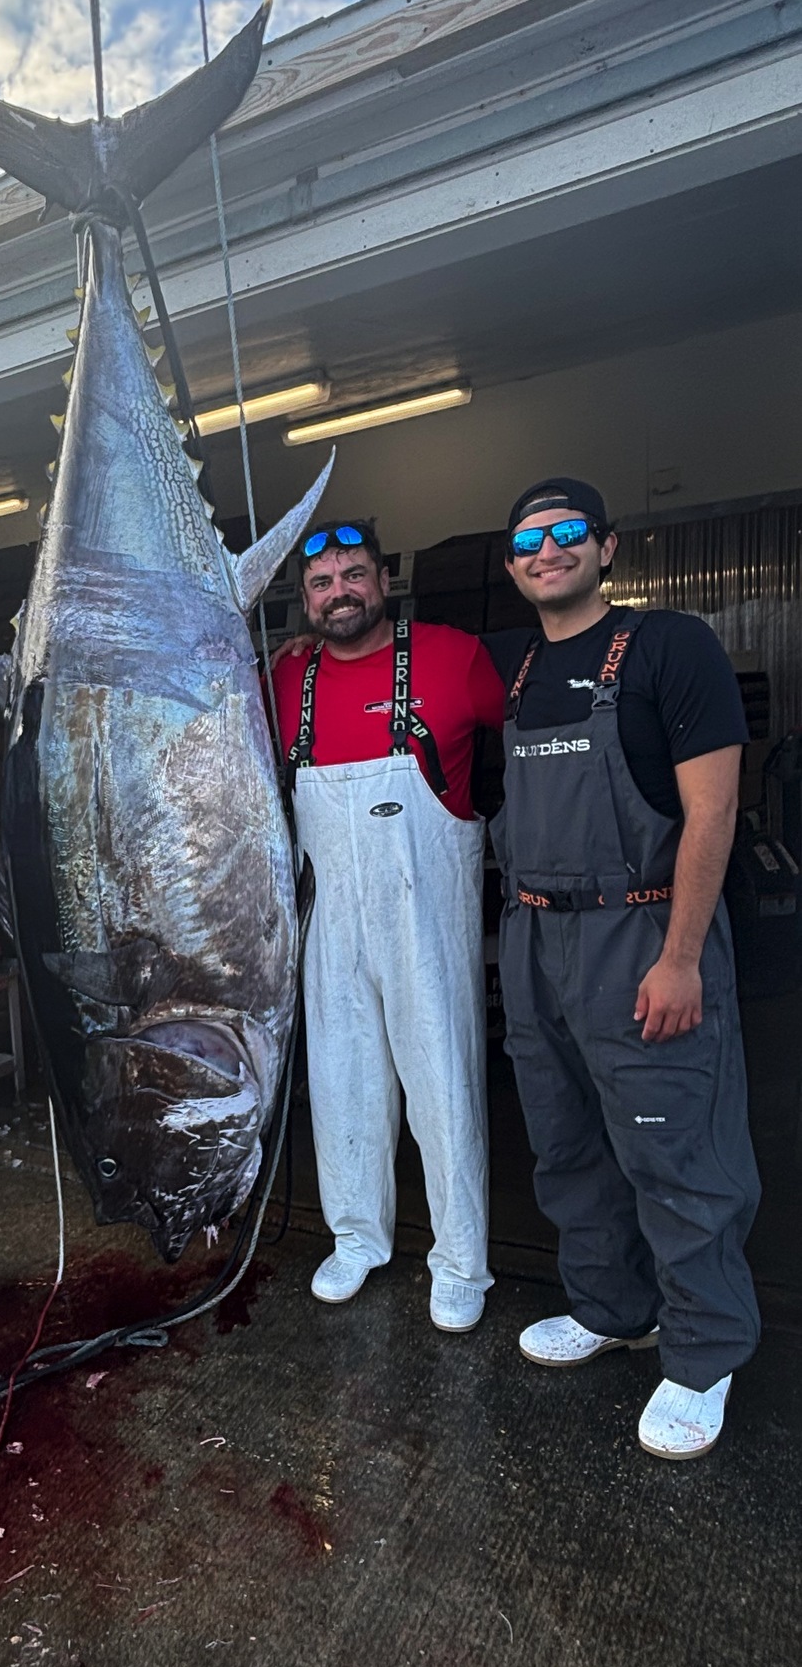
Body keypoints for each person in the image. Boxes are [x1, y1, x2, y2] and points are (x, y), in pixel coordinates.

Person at [486, 476, 760, 1459]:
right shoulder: (516, 668)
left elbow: (713, 812)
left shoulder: (669, 647)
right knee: (567, 1143)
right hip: (537, 938)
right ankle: (613, 1306)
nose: (545, 550)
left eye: (565, 533)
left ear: (606, 547)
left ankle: (704, 1351)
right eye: (526, 540)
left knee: (674, 1148)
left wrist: (682, 956)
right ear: (513, 563)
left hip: (640, 933)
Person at [271, 521, 506, 1330]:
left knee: (443, 1085)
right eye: (322, 582)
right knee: (341, 1084)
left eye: (354, 574)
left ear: (384, 578)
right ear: (305, 600)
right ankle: (357, 1236)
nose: (340, 592)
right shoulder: (286, 677)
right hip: (329, 918)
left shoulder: (454, 658)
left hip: (425, 917)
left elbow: (528, 750)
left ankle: (462, 1260)